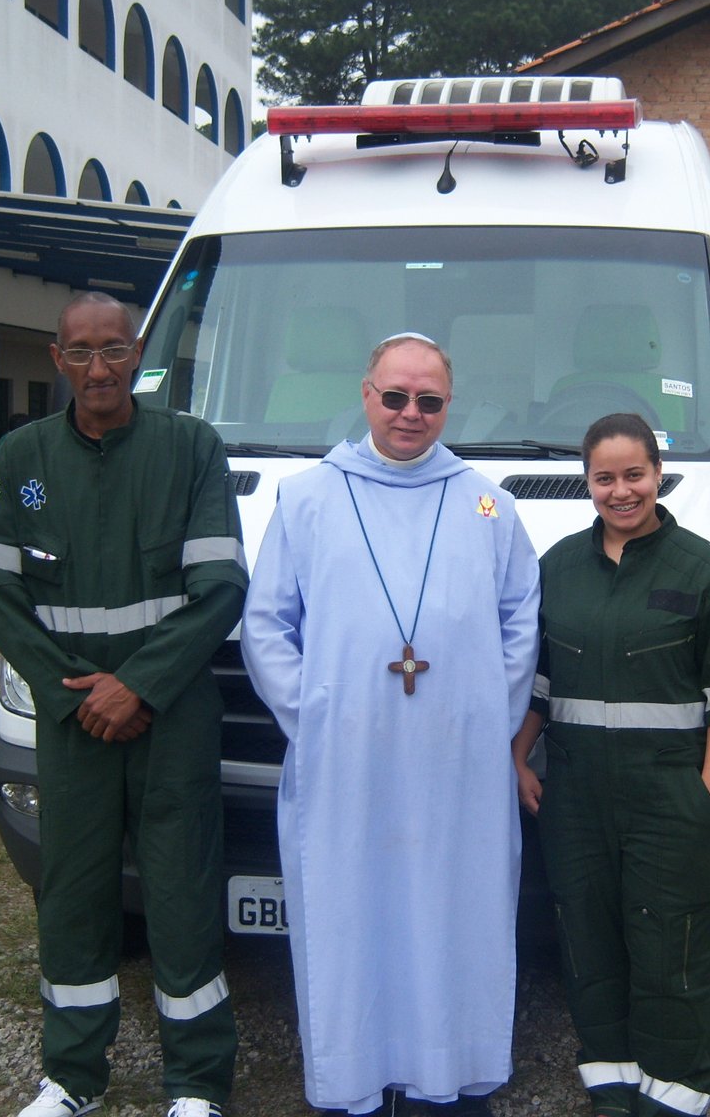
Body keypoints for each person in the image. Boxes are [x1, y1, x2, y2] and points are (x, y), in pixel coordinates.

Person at [241, 333, 540, 1116]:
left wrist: (488, 717)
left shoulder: (487, 504)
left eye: (429, 401)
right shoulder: (307, 498)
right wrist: (314, 714)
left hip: (457, 762)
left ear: (449, 404)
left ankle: (452, 1077)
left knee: (456, 913)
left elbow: (520, 619)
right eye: (396, 397)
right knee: (352, 916)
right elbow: (266, 623)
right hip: (346, 757)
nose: (411, 413)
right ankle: (355, 1081)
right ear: (367, 394)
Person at [0, 293, 247, 1117]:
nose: (100, 368)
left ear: (139, 354)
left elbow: (220, 587)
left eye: (116, 349)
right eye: (82, 352)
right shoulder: (23, 456)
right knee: (73, 895)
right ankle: (72, 1076)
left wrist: (139, 685)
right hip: (74, 722)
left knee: (182, 893)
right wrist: (77, 695)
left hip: (171, 718)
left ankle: (196, 1084)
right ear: (56, 359)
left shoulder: (191, 448)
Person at [511, 412, 710, 1117]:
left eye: (634, 475)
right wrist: (518, 755)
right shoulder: (559, 568)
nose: (620, 491)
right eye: (605, 478)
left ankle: (675, 1091)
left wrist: (708, 793)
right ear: (587, 482)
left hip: (669, 795)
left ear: (657, 474)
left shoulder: (703, 572)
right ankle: (612, 1081)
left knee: (672, 943)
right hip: (575, 797)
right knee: (588, 937)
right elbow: (539, 678)